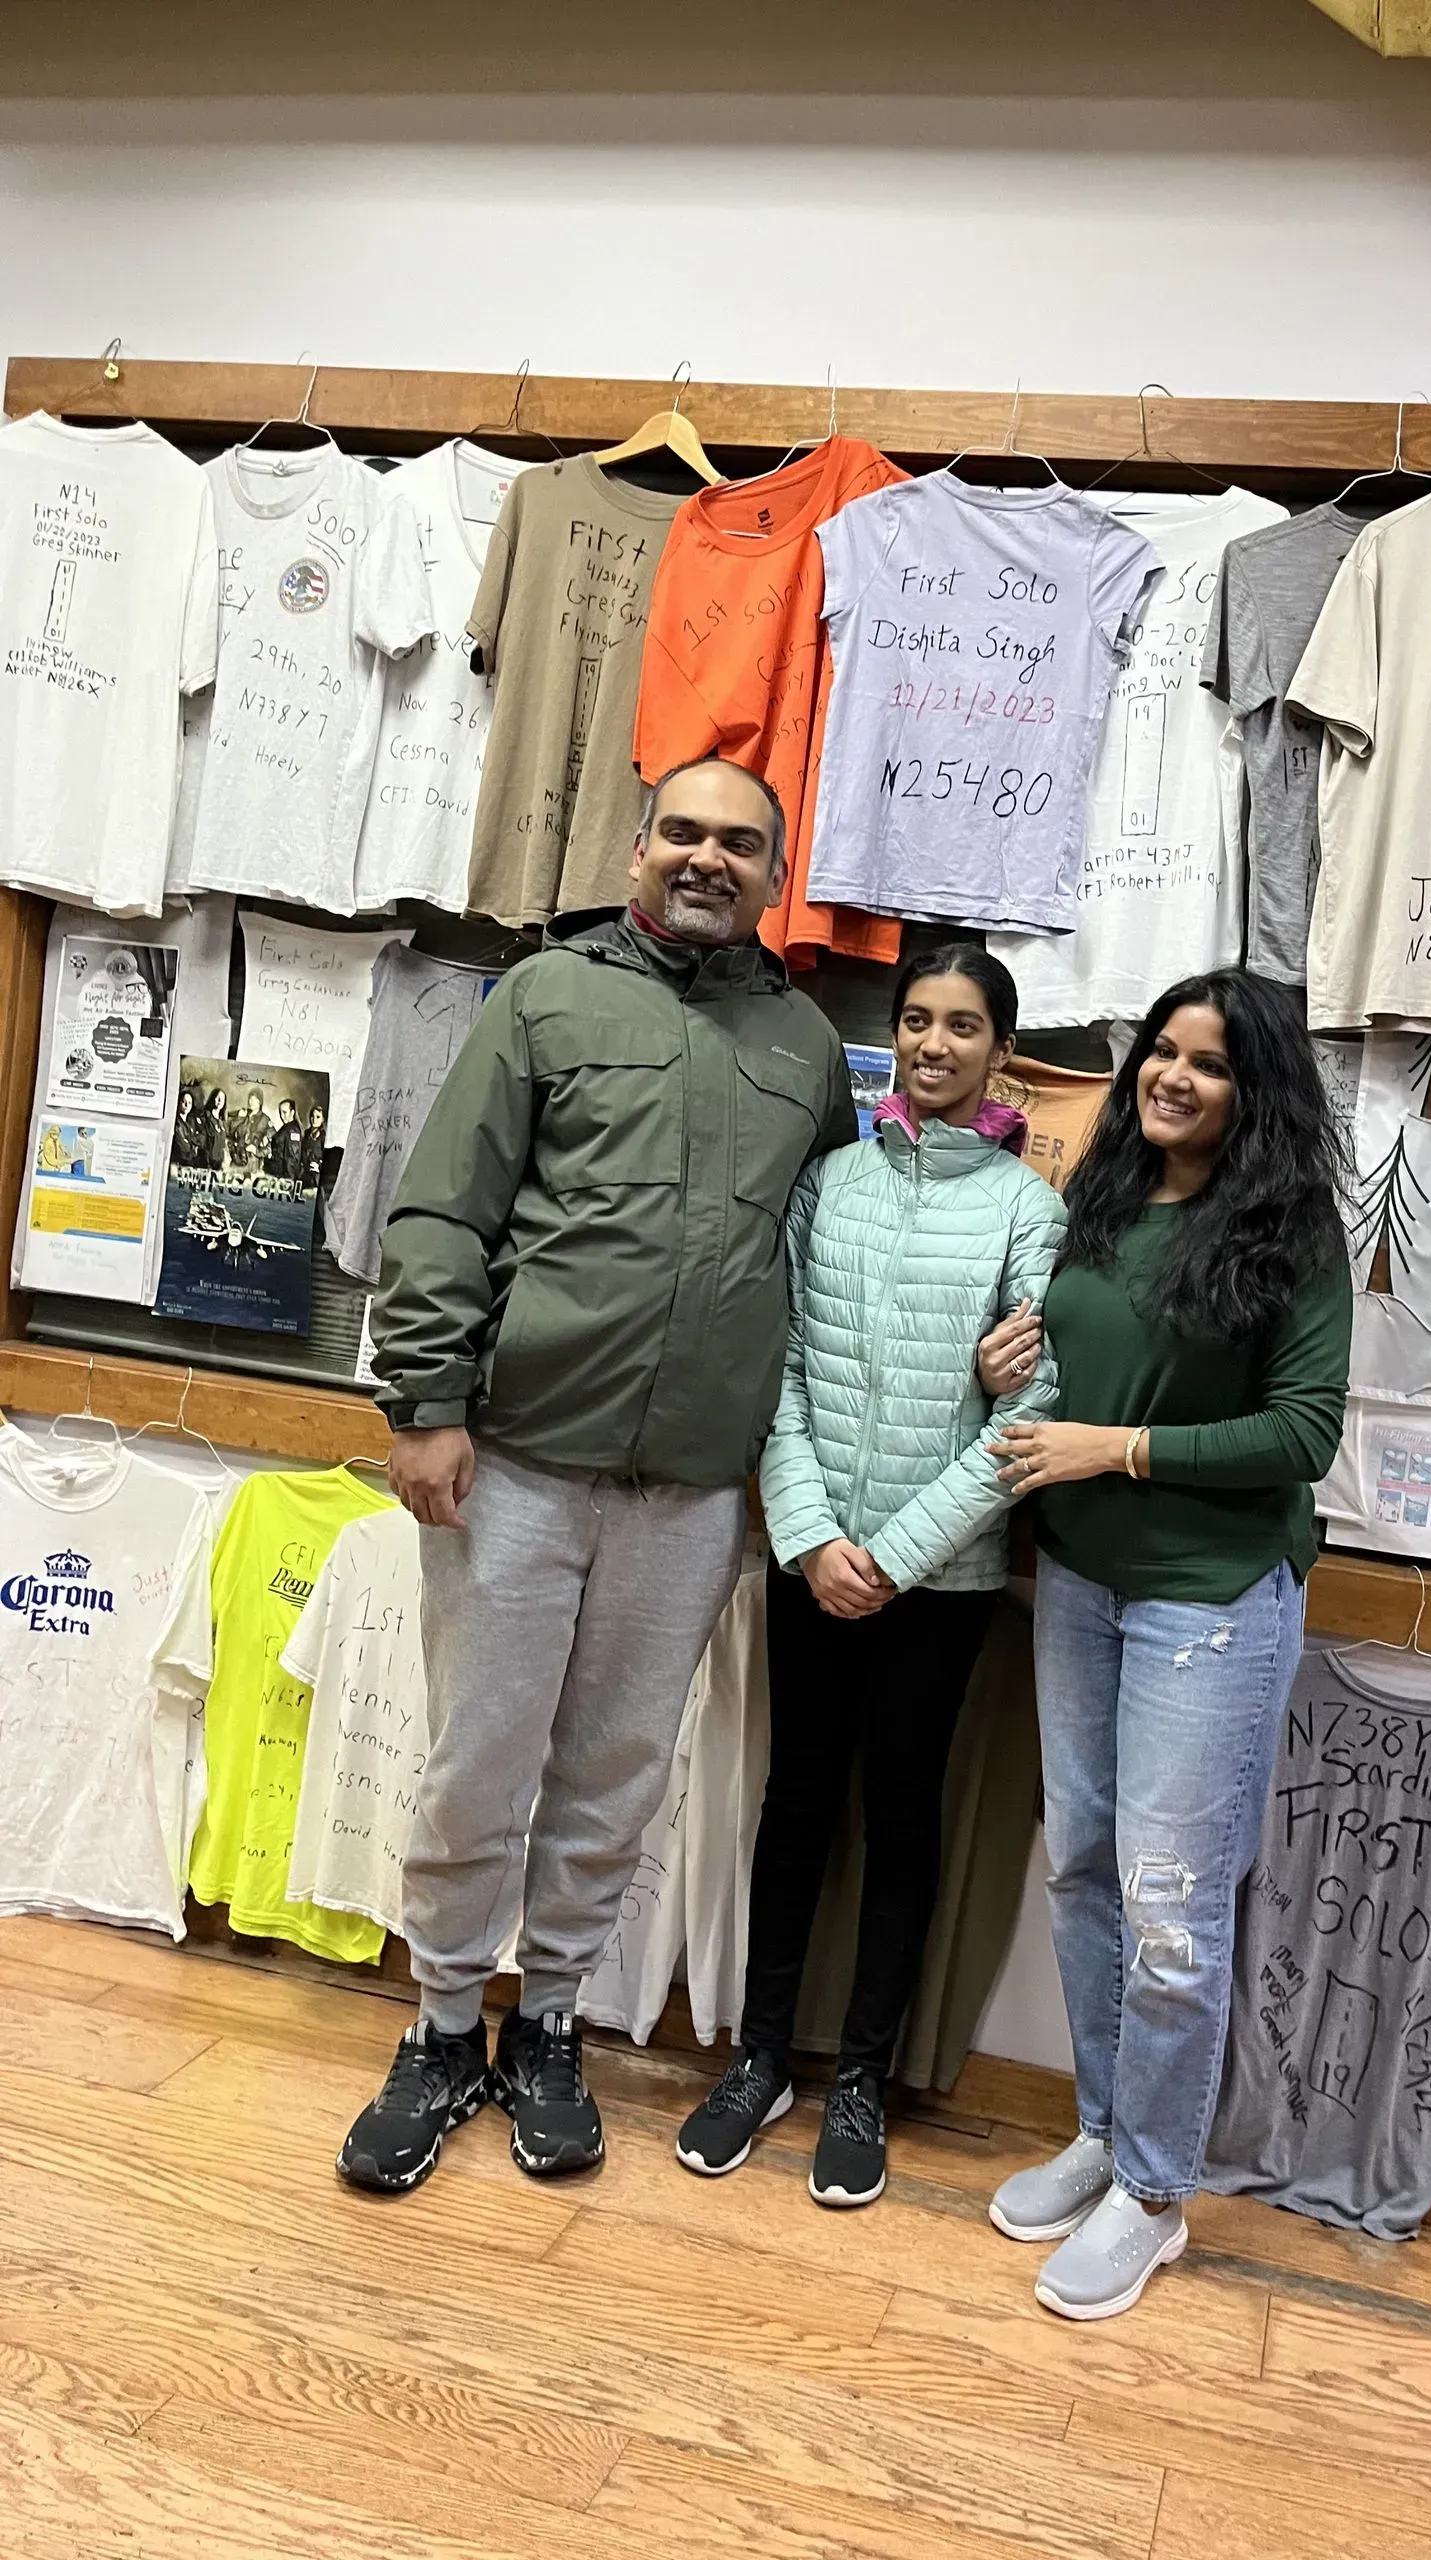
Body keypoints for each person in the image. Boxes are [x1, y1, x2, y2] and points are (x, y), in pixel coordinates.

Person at [340, 755, 857, 2196]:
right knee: (478, 1760)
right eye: (682, 832)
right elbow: (444, 1208)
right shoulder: (546, 1001)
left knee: (618, 1775)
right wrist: (426, 1402)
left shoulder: (807, 1051)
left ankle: (549, 2026)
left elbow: (822, 1258)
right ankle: (445, 2028)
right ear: (639, 848)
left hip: (693, 1487)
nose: (707, 857)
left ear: (774, 872)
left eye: (739, 843)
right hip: (514, 1459)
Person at [978, 970, 1350, 2320]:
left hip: (1212, 1596)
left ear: (1257, 1091)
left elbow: (1304, 1437)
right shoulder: (1109, 1197)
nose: (1173, 1077)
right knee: (1081, 1866)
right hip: (1081, 1578)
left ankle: (1153, 2194)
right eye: (1162, 1052)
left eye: (1210, 1063)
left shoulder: (1294, 1230)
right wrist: (1012, 1368)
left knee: (1174, 1911)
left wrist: (1113, 1451)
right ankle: (1101, 2128)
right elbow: (1084, 1367)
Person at [674, 948, 1065, 2208]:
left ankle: (864, 2077)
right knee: (795, 1803)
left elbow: (1033, 1412)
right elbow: (770, 1362)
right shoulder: (829, 1181)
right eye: (915, 1020)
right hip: (813, 1558)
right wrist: (809, 1534)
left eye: (963, 1026)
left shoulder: (1026, 1209)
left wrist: (894, 1558)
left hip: (938, 1588)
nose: (935, 1044)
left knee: (901, 1818)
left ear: (1002, 1050)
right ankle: (762, 2056)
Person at [266, 1098, 304, 1179]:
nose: (282, 1116)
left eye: (284, 1112)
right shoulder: (286, 1127)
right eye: (280, 1113)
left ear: (292, 1112)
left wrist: (288, 1180)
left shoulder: (293, 1130)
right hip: (278, 1172)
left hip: (283, 1175)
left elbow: (292, 1158)